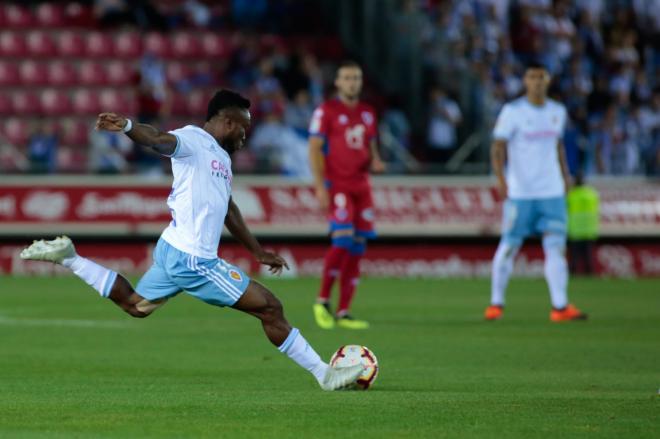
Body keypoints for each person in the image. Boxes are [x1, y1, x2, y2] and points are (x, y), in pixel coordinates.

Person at [20, 89, 364, 391]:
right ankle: (324, 374)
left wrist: (258, 251)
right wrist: (127, 127)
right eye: (244, 128)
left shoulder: (223, 159)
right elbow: (156, 139)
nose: (246, 136)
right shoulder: (192, 140)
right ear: (228, 122)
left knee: (137, 306)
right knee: (270, 307)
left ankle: (69, 258)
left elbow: (228, 209)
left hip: (173, 247)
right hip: (194, 260)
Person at [484, 61, 588, 322]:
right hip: (520, 193)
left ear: (548, 80)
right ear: (525, 82)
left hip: (551, 191)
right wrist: (500, 179)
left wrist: (565, 176)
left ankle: (560, 307)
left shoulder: (557, 111)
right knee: (509, 245)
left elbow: (558, 147)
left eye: (541, 77)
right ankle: (496, 303)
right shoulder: (513, 111)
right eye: (532, 77)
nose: (537, 82)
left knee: (555, 247)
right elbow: (497, 147)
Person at [308, 61, 386, 330]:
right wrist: (320, 186)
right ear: (338, 83)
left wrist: (376, 161)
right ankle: (322, 301)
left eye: (357, 77)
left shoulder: (367, 113)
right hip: (338, 185)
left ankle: (343, 311)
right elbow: (314, 148)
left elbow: (371, 145)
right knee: (341, 240)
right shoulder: (326, 111)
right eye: (347, 78)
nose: (353, 82)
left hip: (362, 187)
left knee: (357, 248)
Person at [567, 173, 599, 274]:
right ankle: (589, 273)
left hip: (575, 230)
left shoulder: (571, 195)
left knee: (574, 256)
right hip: (589, 230)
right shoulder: (592, 194)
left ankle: (573, 272)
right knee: (588, 255)